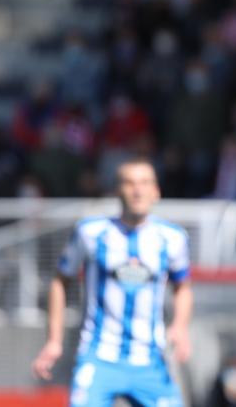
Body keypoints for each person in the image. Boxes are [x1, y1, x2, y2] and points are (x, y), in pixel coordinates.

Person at [31, 159, 192, 407]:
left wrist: (180, 326)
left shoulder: (172, 238)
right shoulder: (91, 232)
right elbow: (59, 281)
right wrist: (54, 340)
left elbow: (182, 287)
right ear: (118, 190)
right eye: (129, 183)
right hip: (99, 356)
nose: (137, 190)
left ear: (156, 191)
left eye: (145, 183)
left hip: (150, 359)